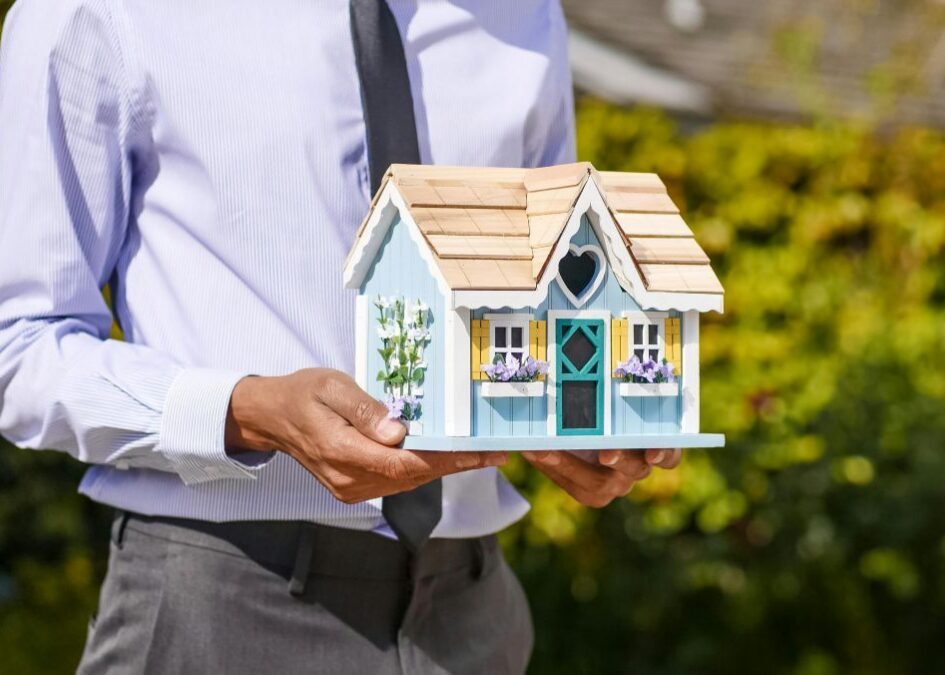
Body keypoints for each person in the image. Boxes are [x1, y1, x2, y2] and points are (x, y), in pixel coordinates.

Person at [0, 0, 681, 672]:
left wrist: (589, 418)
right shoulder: (102, 12)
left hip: (471, 615)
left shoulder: (523, 15)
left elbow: (550, 289)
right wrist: (245, 412)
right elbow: (19, 344)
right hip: (220, 608)